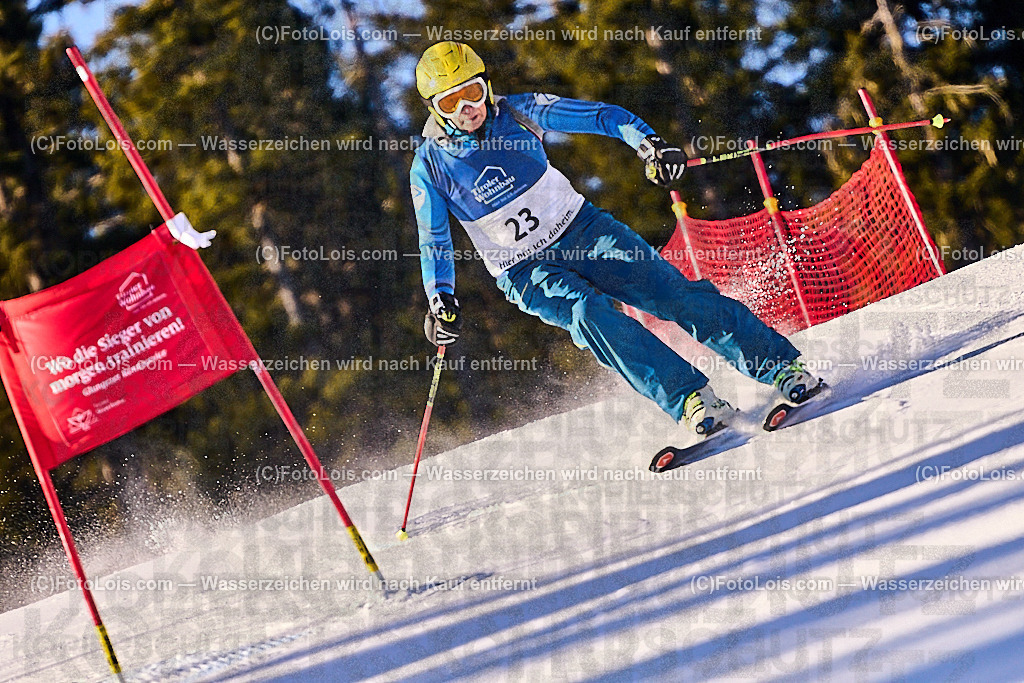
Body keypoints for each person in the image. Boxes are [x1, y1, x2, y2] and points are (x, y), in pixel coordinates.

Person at [410, 41, 820, 436]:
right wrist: (440, 295)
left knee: (671, 295)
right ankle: (691, 399)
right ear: (435, 109)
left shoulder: (519, 111)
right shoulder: (429, 166)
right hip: (524, 269)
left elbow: (601, 116)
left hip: (584, 230)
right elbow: (434, 239)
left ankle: (780, 366)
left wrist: (650, 146)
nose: (468, 109)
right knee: (589, 316)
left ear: (487, 87)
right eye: (452, 102)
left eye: (474, 93)